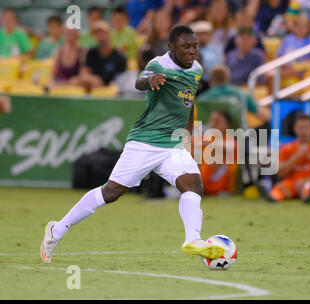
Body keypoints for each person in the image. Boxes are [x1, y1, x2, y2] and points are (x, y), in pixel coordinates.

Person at [40, 25, 225, 264]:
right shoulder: (159, 65)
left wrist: (187, 134)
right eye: (185, 47)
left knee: (193, 185)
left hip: (172, 145)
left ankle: (193, 240)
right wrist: (151, 80)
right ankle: (56, 230)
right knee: (111, 192)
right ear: (171, 48)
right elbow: (140, 81)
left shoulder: (197, 70)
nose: (192, 52)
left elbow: (189, 103)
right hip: (145, 141)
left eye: (194, 47)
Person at [261, 113, 310, 202]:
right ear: (295, 129)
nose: (303, 132)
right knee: (279, 189)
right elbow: (280, 172)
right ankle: (272, 197)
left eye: (306, 128)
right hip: (291, 183)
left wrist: (305, 181)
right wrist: (297, 156)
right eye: (300, 128)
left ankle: (309, 197)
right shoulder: (286, 148)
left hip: (309, 182)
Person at [268, 14, 310, 94]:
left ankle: (273, 102)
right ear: (294, 27)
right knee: (270, 74)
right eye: (298, 26)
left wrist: (300, 64)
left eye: (304, 26)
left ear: (308, 28)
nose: (301, 29)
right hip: (286, 68)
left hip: (301, 70)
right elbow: (278, 55)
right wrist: (282, 64)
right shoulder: (288, 38)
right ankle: (272, 102)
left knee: (274, 75)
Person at [197, 64, 271, 122]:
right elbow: (264, 115)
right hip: (238, 138)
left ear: (211, 81)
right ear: (228, 78)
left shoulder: (201, 99)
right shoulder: (242, 95)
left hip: (208, 139)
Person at [70, 21, 127, 92]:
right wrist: (93, 80)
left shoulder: (119, 56)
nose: (100, 36)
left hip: (111, 89)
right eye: (97, 34)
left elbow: (121, 79)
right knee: (74, 81)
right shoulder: (91, 53)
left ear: (109, 34)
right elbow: (84, 72)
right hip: (93, 85)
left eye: (103, 33)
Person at [196, 110, 239, 195]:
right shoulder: (207, 138)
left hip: (223, 188)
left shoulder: (230, 140)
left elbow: (227, 147)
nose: (212, 124)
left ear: (226, 124)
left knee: (216, 152)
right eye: (211, 120)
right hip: (204, 186)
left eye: (217, 121)